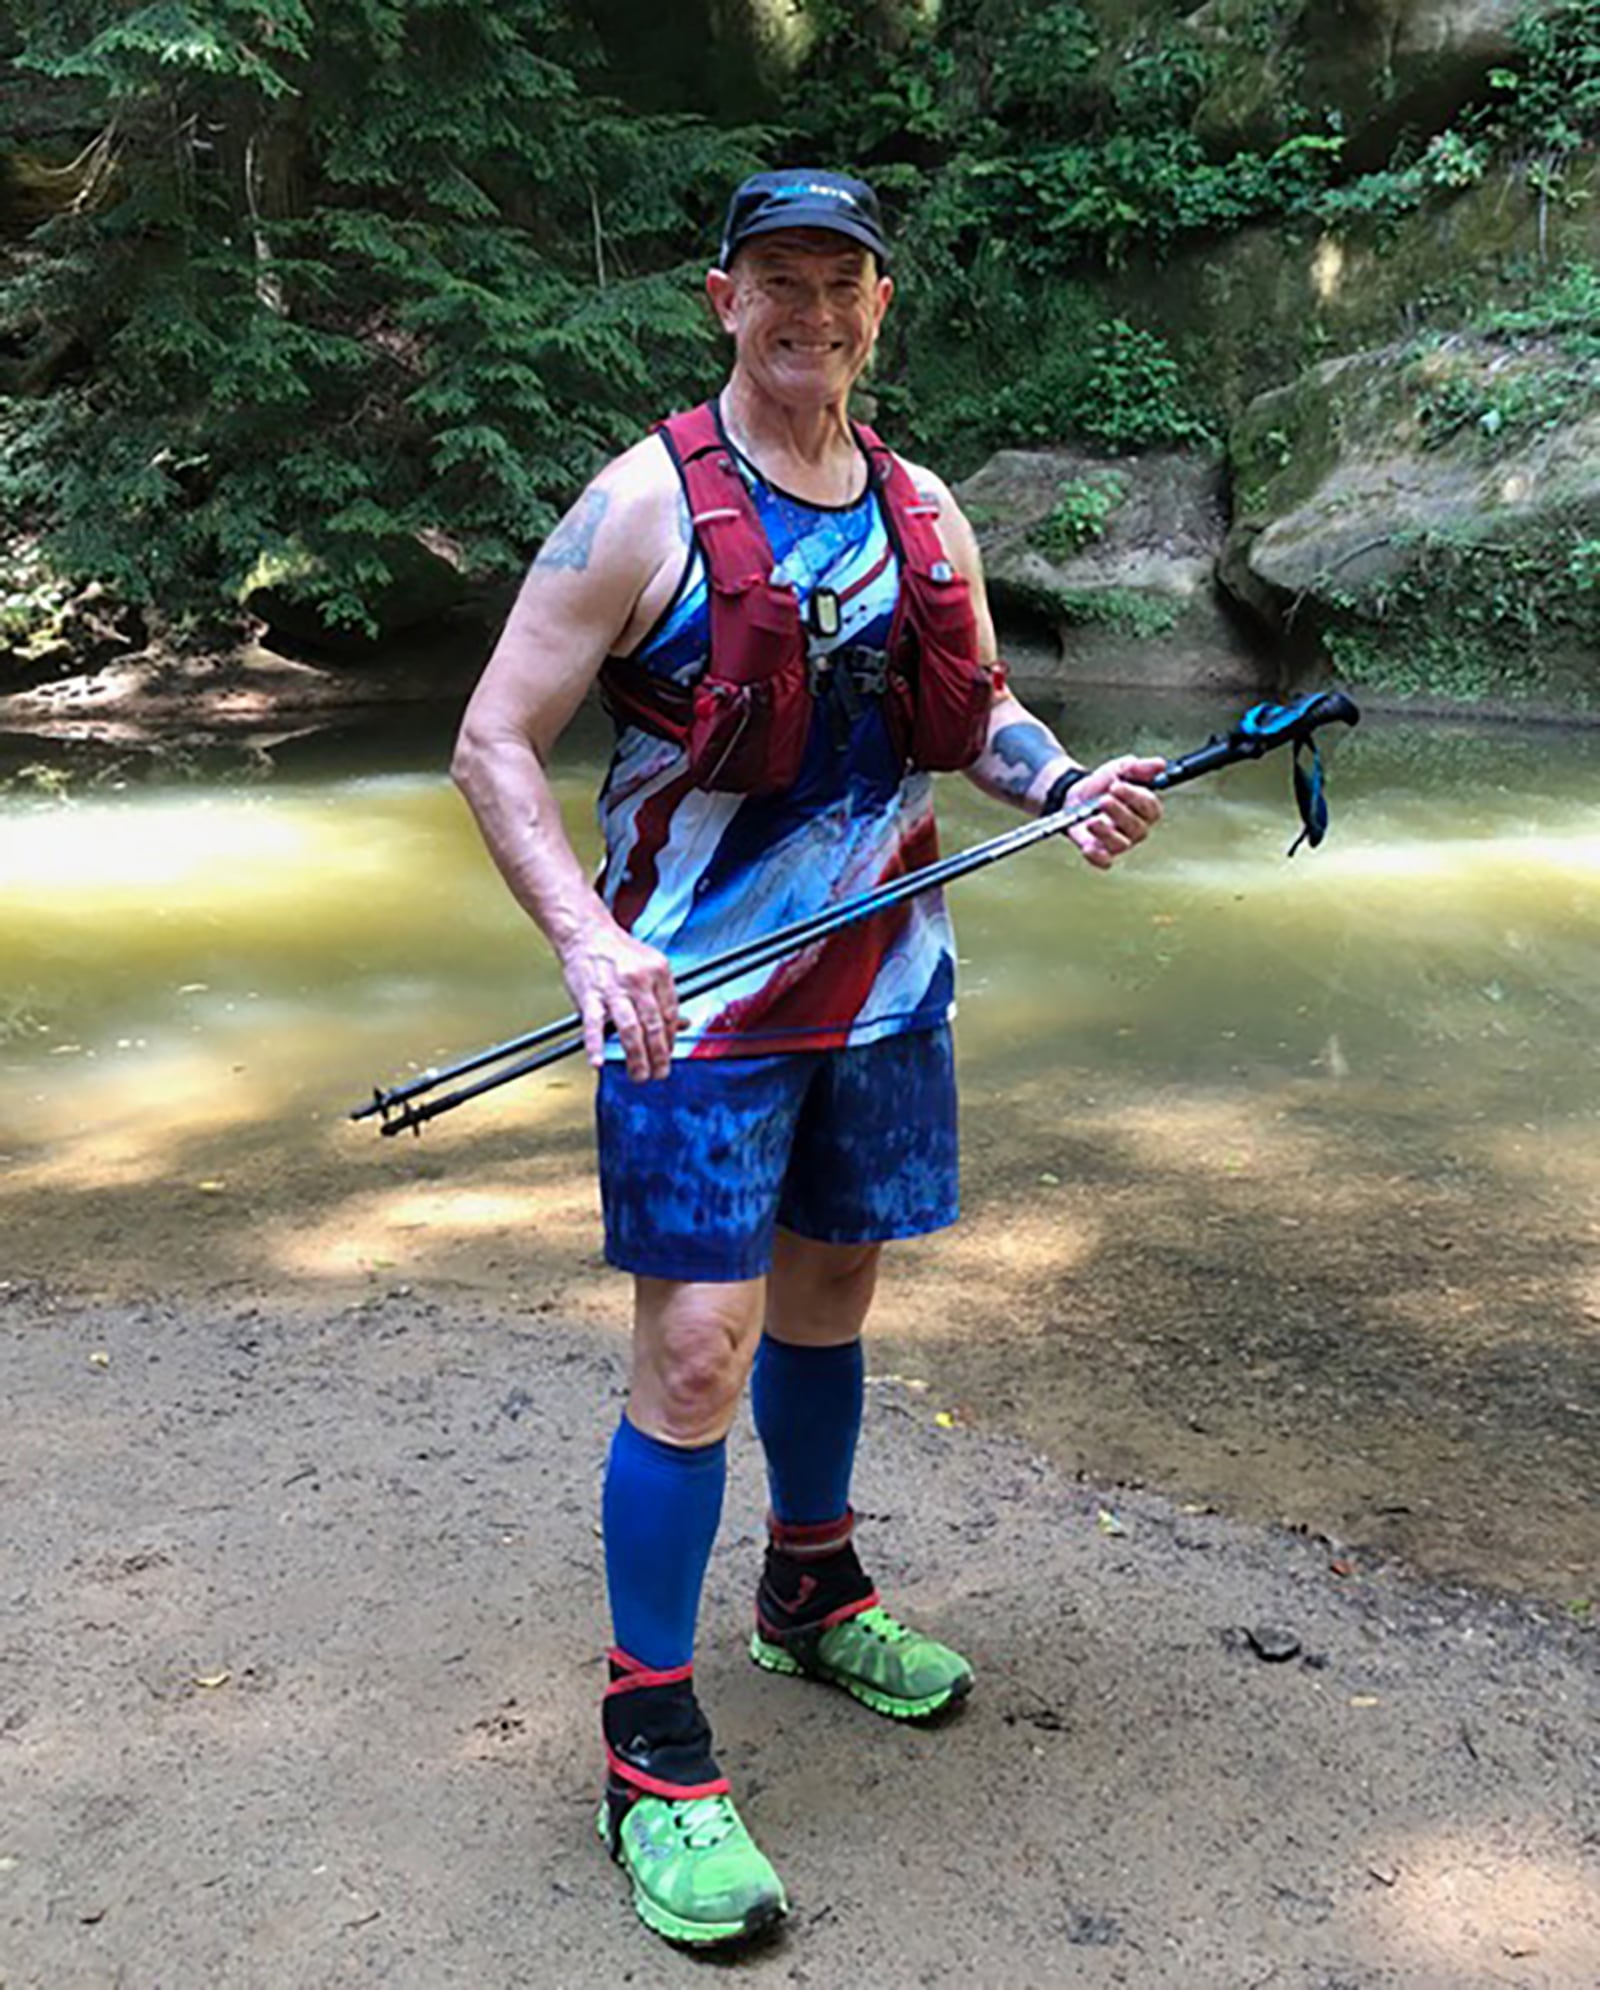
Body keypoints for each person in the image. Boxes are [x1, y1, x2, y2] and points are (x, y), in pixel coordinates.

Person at [451, 168, 1165, 1948]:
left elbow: (975, 708)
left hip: (887, 985)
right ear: (722, 301)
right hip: (689, 1005)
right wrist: (587, 938)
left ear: (878, 307)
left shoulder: (925, 507)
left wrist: (1064, 783)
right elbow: (492, 741)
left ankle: (815, 1585)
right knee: (698, 1348)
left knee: (833, 1293)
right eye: (779, 281)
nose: (812, 312)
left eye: (841, 283)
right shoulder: (639, 506)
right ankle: (648, 1741)